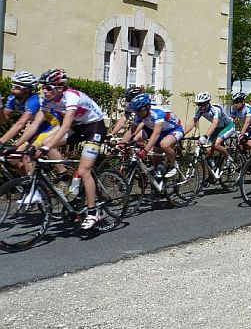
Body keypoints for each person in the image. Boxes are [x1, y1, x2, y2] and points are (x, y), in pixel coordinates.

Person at [18, 69, 107, 229]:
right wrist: (30, 145)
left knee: (84, 170)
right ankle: (64, 177)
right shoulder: (47, 101)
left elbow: (65, 127)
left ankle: (93, 212)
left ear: (59, 88)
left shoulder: (71, 97)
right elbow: (36, 124)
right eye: (43, 87)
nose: (44, 90)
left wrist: (45, 147)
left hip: (94, 128)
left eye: (48, 87)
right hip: (78, 127)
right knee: (46, 141)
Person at [0, 71, 65, 183]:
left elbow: (21, 123)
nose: (12, 87)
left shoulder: (34, 100)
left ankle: (38, 187)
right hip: (35, 129)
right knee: (13, 159)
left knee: (26, 154)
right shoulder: (12, 98)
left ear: (25, 89)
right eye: (13, 84)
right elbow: (3, 119)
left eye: (16, 86)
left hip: (50, 127)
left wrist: (2, 141)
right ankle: (33, 184)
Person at [126, 93, 184, 180]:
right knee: (136, 140)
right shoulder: (139, 114)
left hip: (173, 129)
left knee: (164, 145)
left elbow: (156, 134)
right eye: (135, 111)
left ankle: (174, 164)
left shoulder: (158, 113)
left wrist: (145, 151)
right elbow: (131, 132)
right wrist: (123, 144)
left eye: (138, 111)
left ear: (146, 108)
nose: (136, 114)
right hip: (155, 129)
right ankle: (158, 173)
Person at [184, 92, 235, 178]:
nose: (200, 106)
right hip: (218, 129)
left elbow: (214, 123)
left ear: (208, 103)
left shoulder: (216, 109)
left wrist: (205, 136)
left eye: (202, 104)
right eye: (198, 104)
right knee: (207, 150)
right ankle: (213, 170)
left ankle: (229, 158)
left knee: (215, 144)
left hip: (228, 126)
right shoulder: (199, 111)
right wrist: (183, 134)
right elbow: (193, 122)